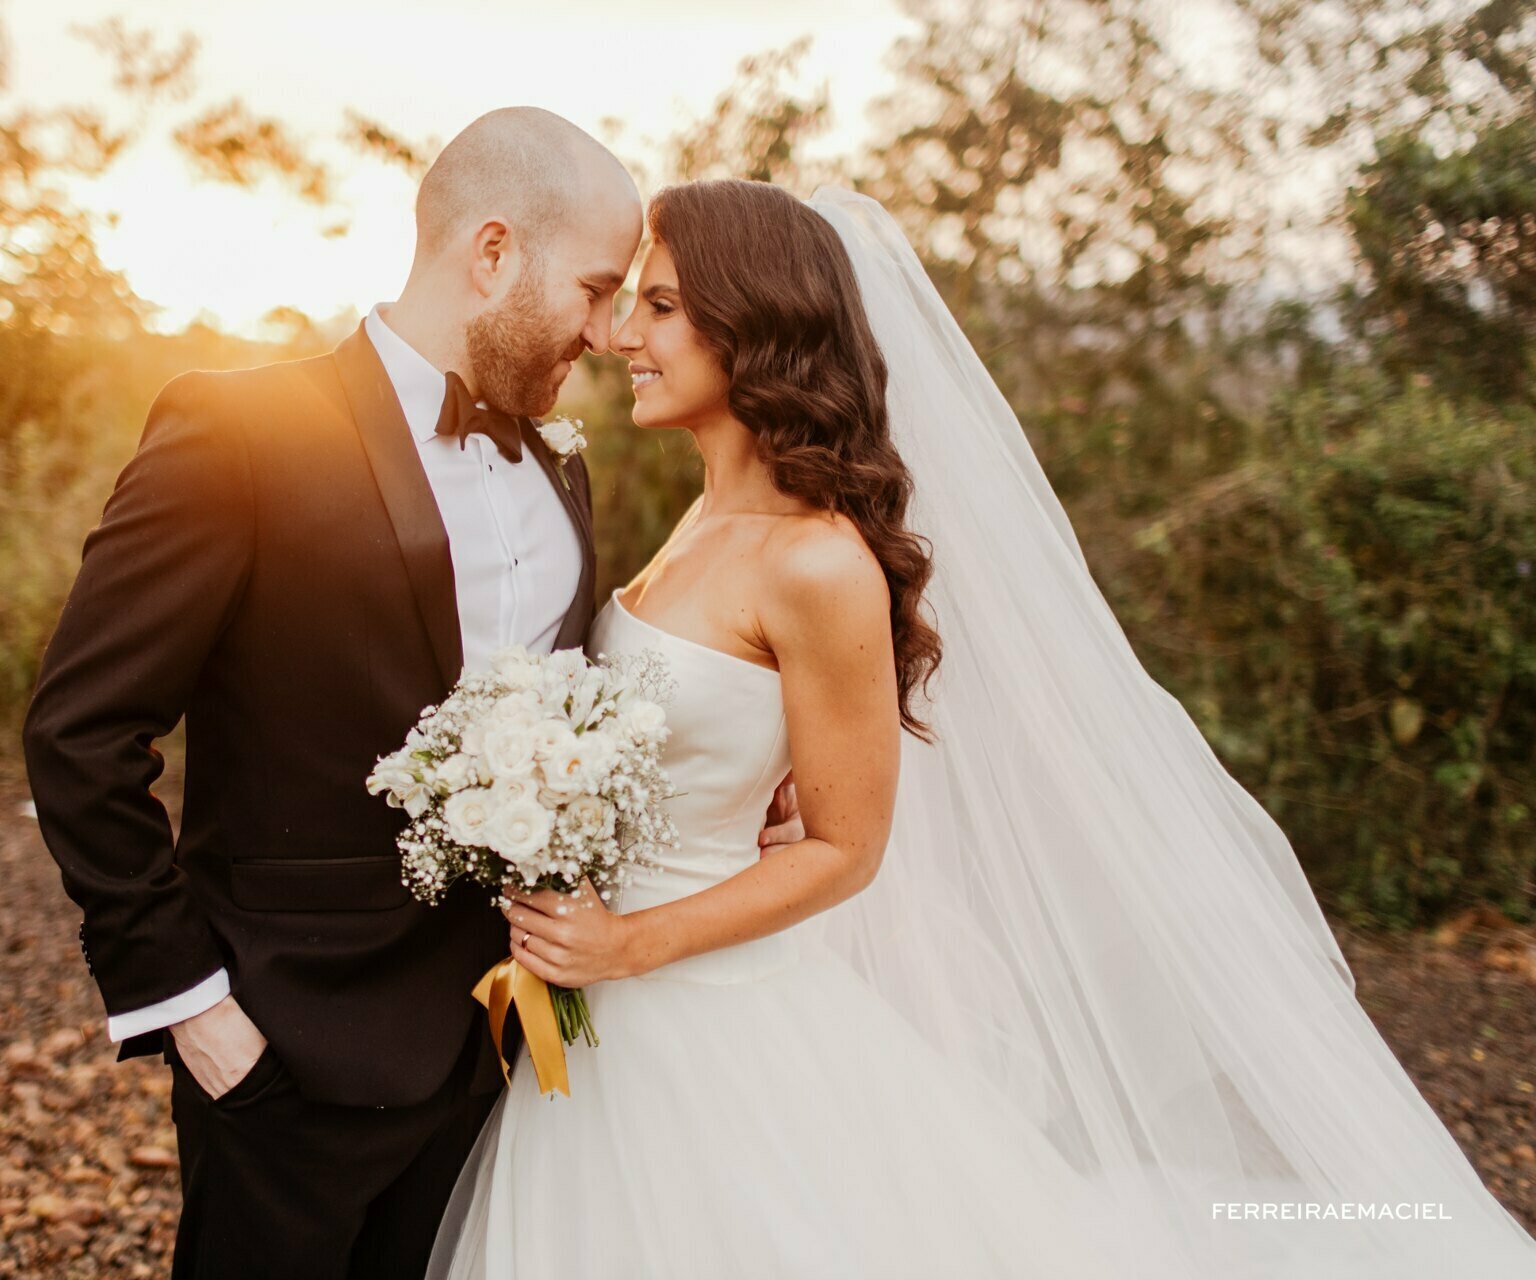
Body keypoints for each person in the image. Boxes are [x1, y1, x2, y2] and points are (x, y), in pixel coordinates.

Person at [423, 179, 1536, 1279]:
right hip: (608, 1019)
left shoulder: (816, 561)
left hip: (699, 1010)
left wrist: (630, 944)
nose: (623, 333)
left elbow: (846, 849)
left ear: (755, 324)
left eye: (660, 306)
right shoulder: (707, 515)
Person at [20, 106, 645, 1279]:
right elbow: (81, 730)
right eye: (597, 289)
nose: (608, 333)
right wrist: (189, 1005)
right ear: (494, 252)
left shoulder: (562, 462)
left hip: (499, 1052)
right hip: (284, 1054)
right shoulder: (237, 431)